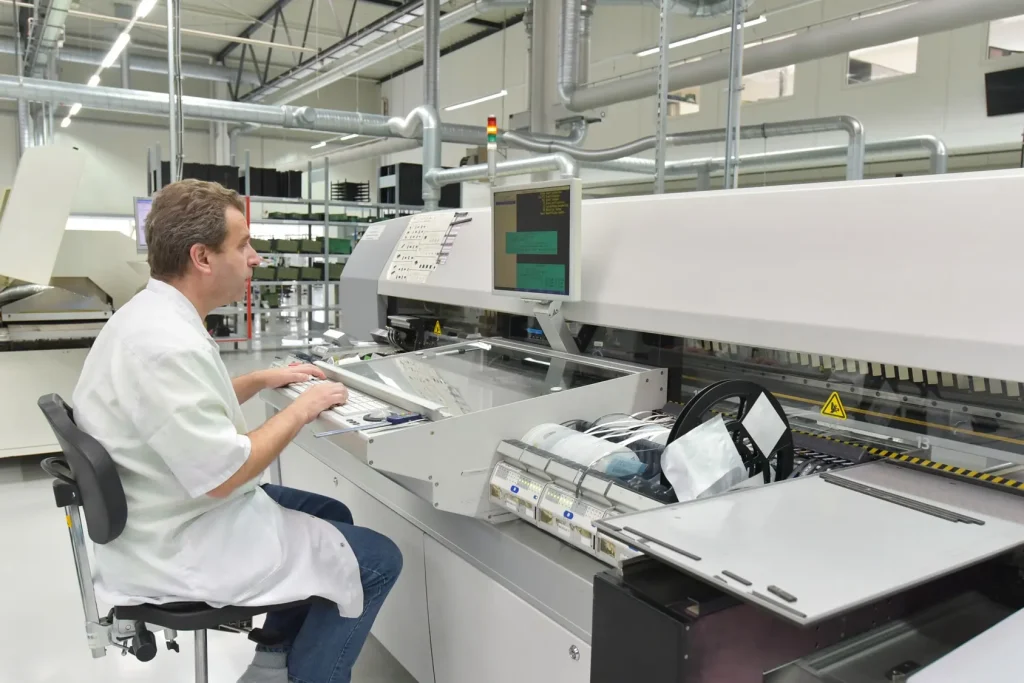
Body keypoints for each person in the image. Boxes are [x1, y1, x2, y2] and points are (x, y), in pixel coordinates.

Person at [72, 179, 402, 683]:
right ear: (202, 257)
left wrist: (262, 380)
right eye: (243, 244)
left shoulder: (150, 316)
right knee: (379, 559)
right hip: (181, 540)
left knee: (332, 514)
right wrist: (302, 408)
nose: (256, 257)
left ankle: (273, 659)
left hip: (163, 509)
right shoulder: (165, 345)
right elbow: (224, 475)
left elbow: (186, 409)